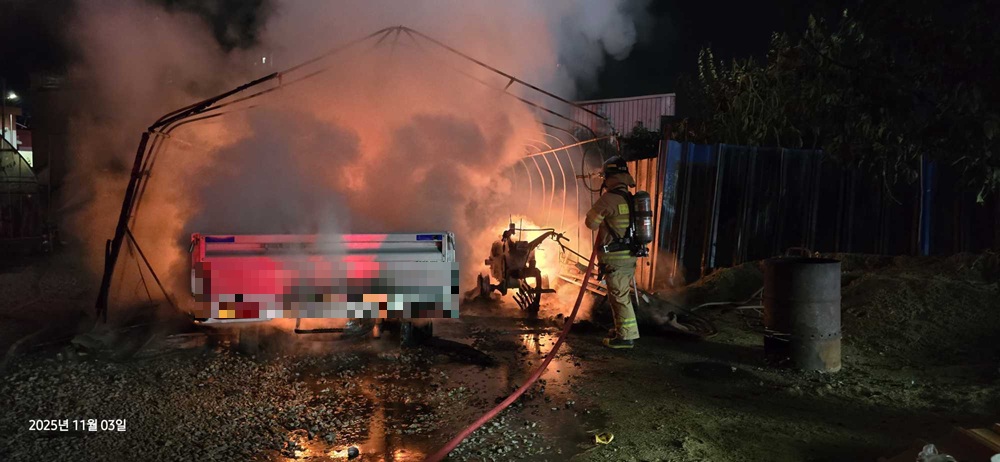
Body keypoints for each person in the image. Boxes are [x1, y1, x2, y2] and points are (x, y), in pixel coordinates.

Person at [585, 156, 639, 349]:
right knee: (620, 295)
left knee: (619, 297)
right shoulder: (630, 199)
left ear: (609, 177)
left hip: (616, 259)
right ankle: (622, 331)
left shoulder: (609, 199)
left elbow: (591, 223)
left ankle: (626, 338)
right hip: (628, 256)